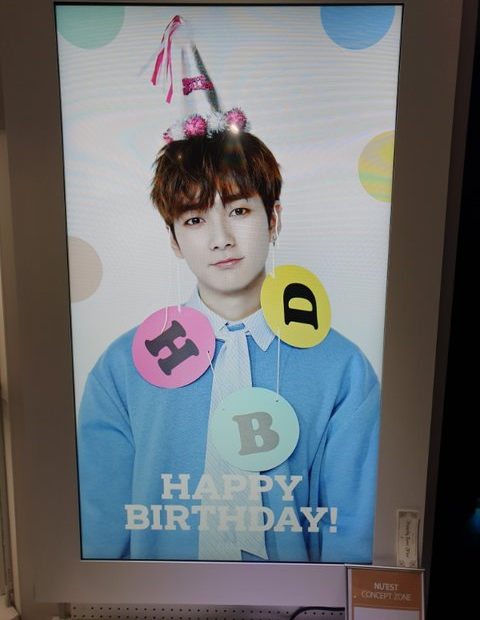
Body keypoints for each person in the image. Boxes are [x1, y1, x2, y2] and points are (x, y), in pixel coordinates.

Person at [77, 116, 380, 563]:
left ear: (273, 218)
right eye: (195, 219)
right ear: (174, 239)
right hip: (153, 599)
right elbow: (100, 534)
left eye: (239, 211)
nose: (221, 239)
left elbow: (353, 538)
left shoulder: (343, 369)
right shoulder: (121, 369)